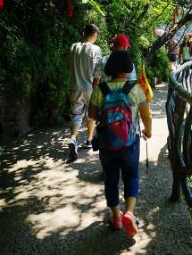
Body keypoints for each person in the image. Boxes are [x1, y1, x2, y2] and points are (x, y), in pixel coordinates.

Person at [88, 50, 152, 237]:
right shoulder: (135, 89)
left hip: (107, 145)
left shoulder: (100, 90)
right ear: (128, 68)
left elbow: (91, 116)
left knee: (111, 179)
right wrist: (148, 131)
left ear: (109, 69)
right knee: (131, 176)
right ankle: (129, 213)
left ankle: (116, 217)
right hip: (130, 143)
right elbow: (146, 116)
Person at [67, 23, 102, 161]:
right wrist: (96, 88)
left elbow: (68, 65)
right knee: (92, 114)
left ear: (83, 33)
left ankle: (73, 138)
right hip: (90, 87)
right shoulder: (96, 49)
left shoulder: (73, 47)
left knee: (76, 115)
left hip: (75, 86)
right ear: (95, 34)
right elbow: (98, 72)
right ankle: (88, 140)